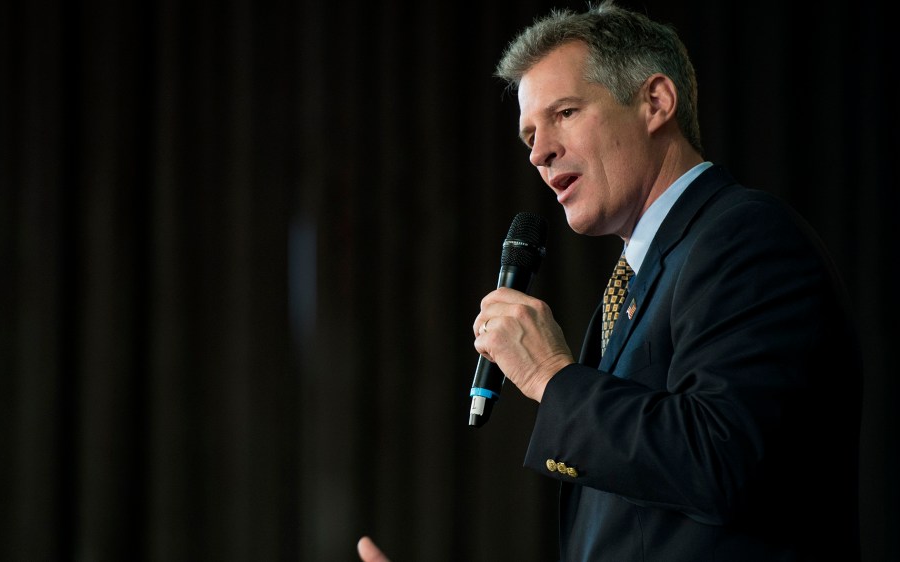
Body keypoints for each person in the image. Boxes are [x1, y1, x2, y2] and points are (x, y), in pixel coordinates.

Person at [359, 1, 862, 560]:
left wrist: (552, 376)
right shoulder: (638, 278)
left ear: (655, 102)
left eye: (565, 113)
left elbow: (723, 461)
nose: (539, 151)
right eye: (529, 133)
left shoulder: (744, 237)